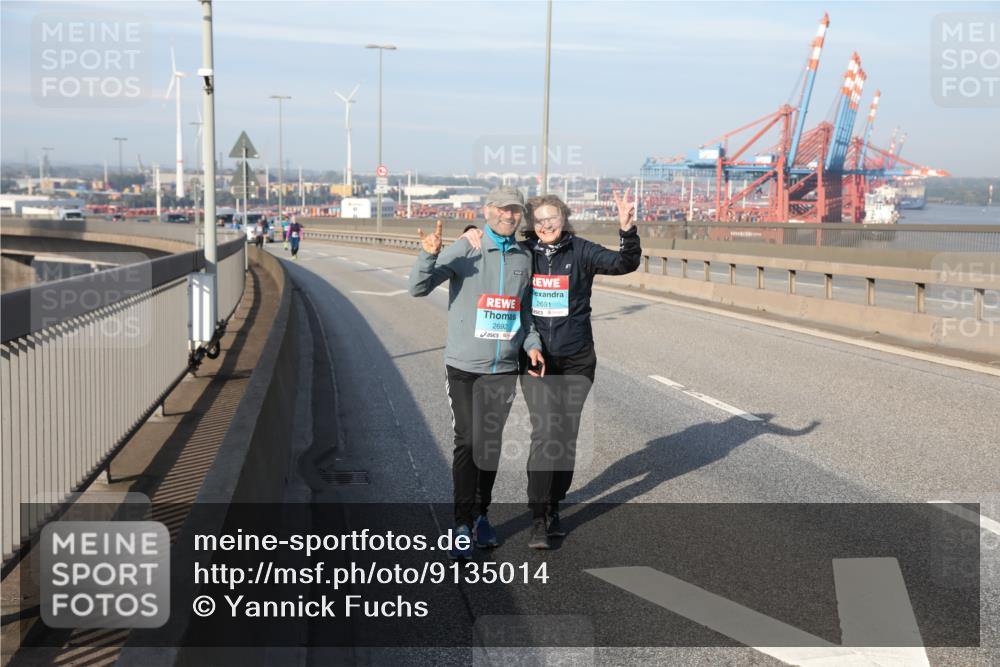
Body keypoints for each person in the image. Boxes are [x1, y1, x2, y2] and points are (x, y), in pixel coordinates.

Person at [463, 189, 640, 549]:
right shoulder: (523, 252)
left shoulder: (582, 250)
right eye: (539, 220)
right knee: (546, 433)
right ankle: (539, 517)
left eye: (552, 219)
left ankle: (554, 506)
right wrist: (471, 230)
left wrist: (627, 229)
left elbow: (624, 264)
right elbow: (493, 243)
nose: (546, 225)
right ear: (533, 225)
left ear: (564, 220)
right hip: (536, 357)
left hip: (577, 358)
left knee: (565, 437)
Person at [409, 186, 546, 560]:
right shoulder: (466, 247)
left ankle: (482, 515)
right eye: (503, 209)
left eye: (515, 211)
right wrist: (430, 252)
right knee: (469, 441)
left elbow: (525, 310)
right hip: (465, 367)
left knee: (488, 445)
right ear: (487, 210)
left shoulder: (523, 256)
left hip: (503, 368)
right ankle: (461, 524)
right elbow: (418, 288)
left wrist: (531, 344)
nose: (509, 216)